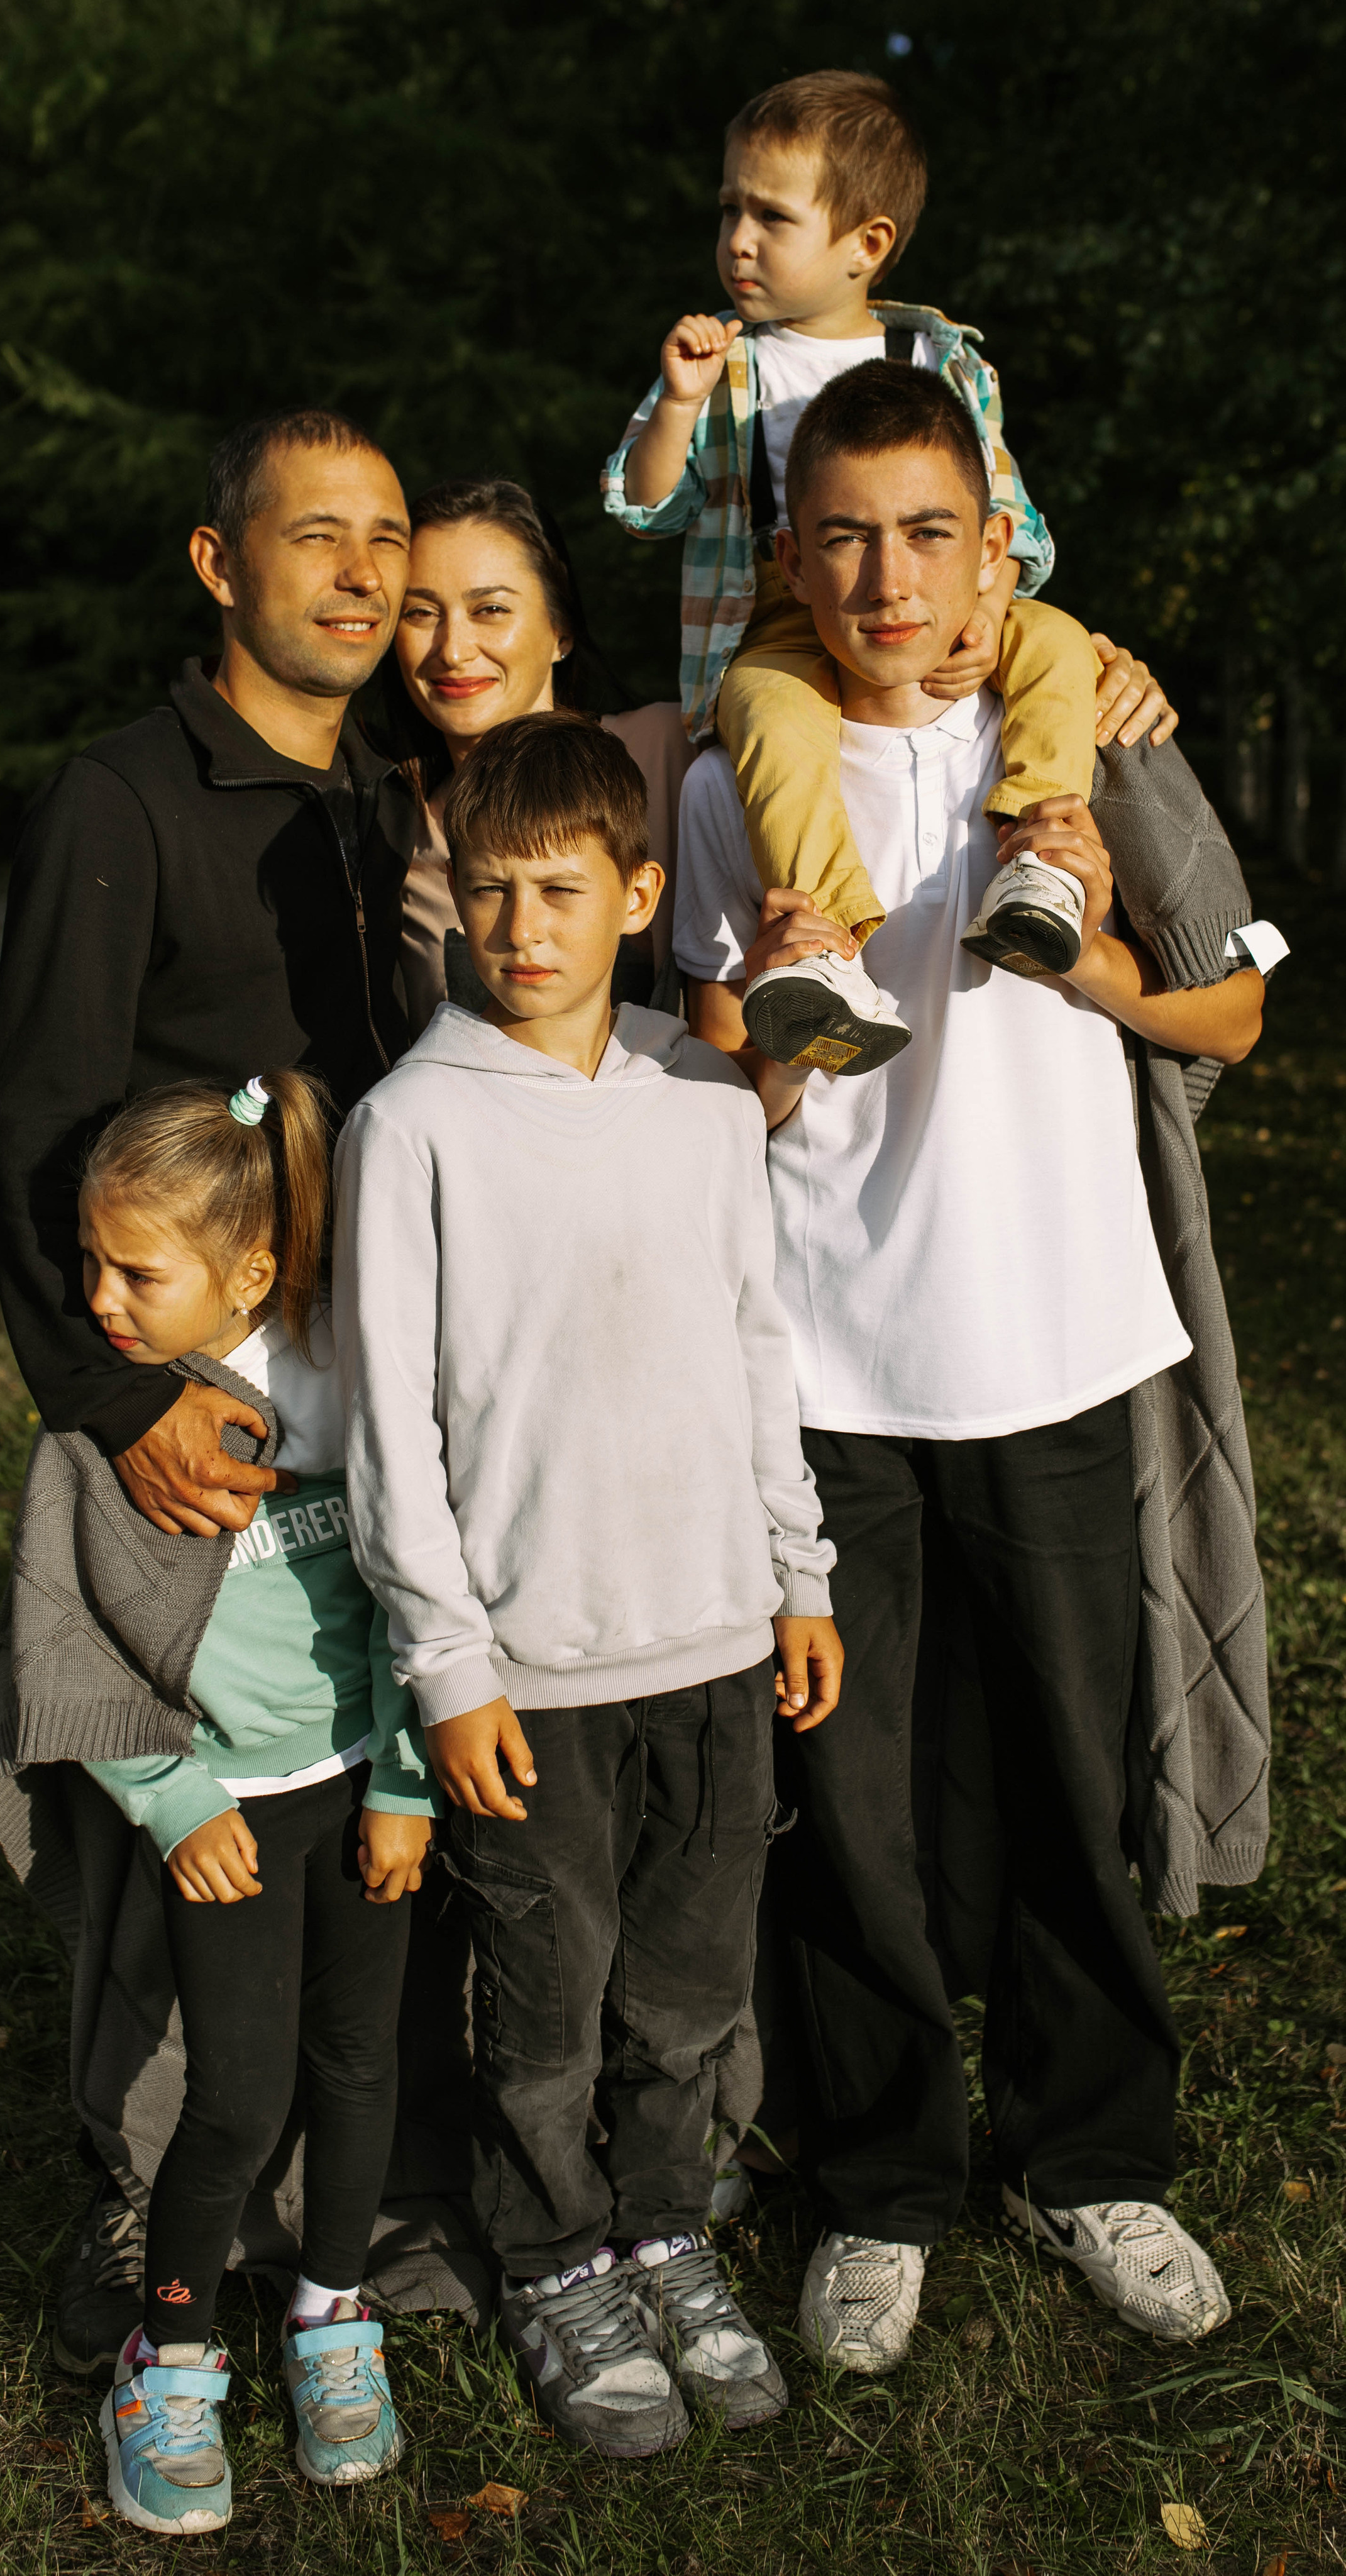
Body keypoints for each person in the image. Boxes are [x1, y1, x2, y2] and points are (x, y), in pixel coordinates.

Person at [673, 359, 1270, 2372]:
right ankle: (880, 2179)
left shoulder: (1091, 737)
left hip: (1051, 1349)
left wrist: (1077, 951)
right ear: (788, 553)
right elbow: (712, 1108)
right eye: (839, 533)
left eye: (923, 530)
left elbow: (1230, 1026)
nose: (883, 573)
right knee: (844, 1806)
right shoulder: (724, 776)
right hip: (823, 1379)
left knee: (1065, 1773)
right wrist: (756, 1025)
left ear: (989, 547)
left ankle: (1091, 2150)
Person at [0, 408, 441, 2373]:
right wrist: (109, 1391)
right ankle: (132, 2193)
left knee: (347, 1804)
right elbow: (30, 1126)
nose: (356, 570)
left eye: (384, 537)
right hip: (186, 1417)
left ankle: (362, 2194)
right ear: (216, 562)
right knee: (155, 1829)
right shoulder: (127, 797)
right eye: (311, 534)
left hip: (363, 1397)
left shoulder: (387, 800)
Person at [333, 711, 842, 2454]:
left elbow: (756, 1344)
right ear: (454, 906)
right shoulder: (412, 1129)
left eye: (560, 890)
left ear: (637, 894)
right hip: (531, 1671)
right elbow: (391, 1423)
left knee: (690, 1992)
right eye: (489, 893)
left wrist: (798, 1570)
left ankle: (667, 2232)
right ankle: (555, 2261)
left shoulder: (702, 1099)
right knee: (544, 2010)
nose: (521, 927)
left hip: (711, 1642)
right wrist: (449, 1664)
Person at [0, 1068, 434, 2531]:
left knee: (361, 2069)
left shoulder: (341, 1381)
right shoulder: (107, 1442)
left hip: (363, 1792)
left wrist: (409, 1781)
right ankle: (168, 2356)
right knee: (239, 2097)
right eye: (92, 1264)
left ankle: (331, 2318)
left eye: (137, 1270)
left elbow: (419, 1595)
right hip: (227, 1816)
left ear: (247, 1270)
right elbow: (65, 1643)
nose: (99, 1302)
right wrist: (175, 1799)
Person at [603, 67, 1179, 1073]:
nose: (736, 239)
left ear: (864, 244)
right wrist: (680, 406)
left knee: (1055, 645)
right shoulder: (724, 368)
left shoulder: (943, 361)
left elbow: (1012, 520)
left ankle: (1041, 853)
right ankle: (824, 943)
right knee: (772, 721)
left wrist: (991, 611)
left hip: (946, 608)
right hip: (786, 622)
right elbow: (644, 505)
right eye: (727, 209)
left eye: (770, 217)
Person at [379, 474, 693, 1031]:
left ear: (560, 631)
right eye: (420, 613)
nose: (452, 650)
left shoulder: (668, 754)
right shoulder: (389, 829)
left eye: (490, 610)